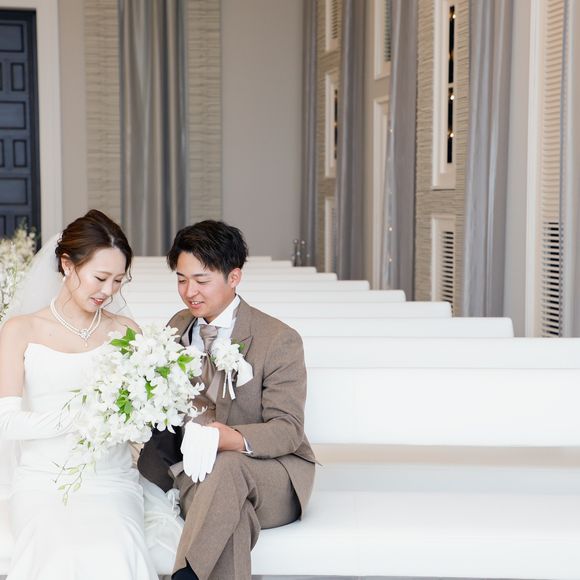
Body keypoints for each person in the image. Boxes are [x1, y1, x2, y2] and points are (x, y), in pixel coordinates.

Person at [138, 220, 317, 580]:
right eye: (181, 279)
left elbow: (288, 430)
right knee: (230, 516)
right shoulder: (178, 326)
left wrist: (225, 438)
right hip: (198, 476)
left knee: (229, 467)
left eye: (201, 280)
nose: (189, 292)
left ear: (234, 277)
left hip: (270, 476)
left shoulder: (277, 339)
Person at [0, 210, 171, 579]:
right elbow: (7, 422)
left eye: (118, 281)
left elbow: (141, 420)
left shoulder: (126, 331)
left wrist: (140, 418)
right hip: (43, 481)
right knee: (58, 552)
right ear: (67, 265)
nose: (108, 291)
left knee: (115, 549)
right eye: (100, 278)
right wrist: (80, 417)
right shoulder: (20, 329)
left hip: (110, 479)